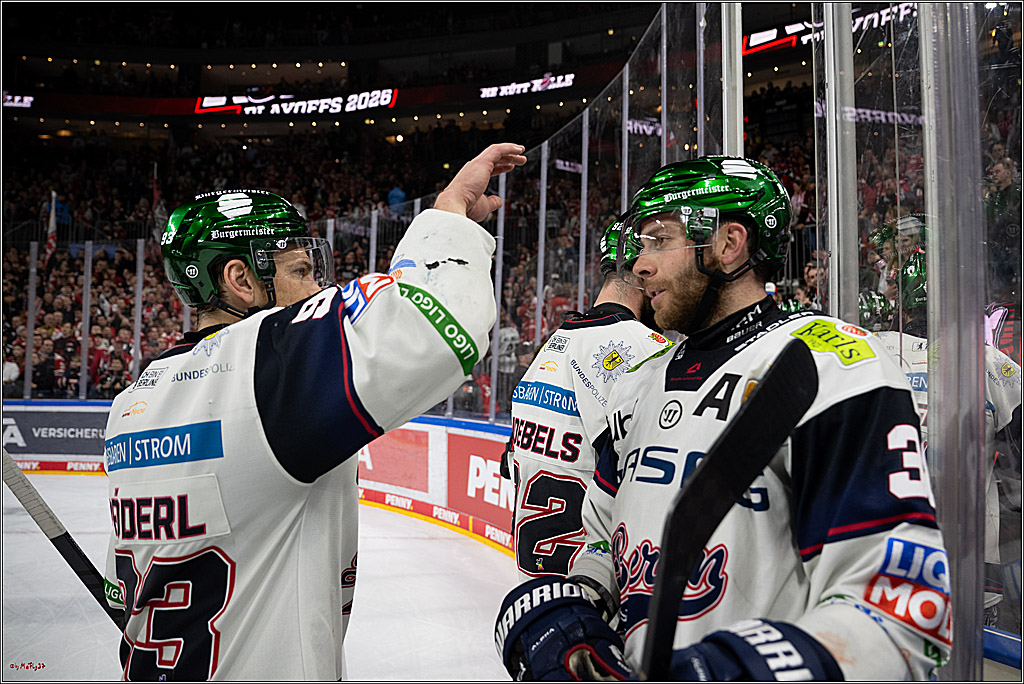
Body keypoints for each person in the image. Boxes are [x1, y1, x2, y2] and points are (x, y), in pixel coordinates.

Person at [494, 156, 949, 680]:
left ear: (730, 244)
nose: (639, 265)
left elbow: (904, 608)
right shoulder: (638, 382)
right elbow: (601, 534)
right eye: (640, 244)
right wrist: (576, 609)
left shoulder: (829, 367)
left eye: (659, 240)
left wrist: (732, 671)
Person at [102, 142, 526, 680]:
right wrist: (449, 214)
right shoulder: (262, 368)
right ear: (240, 279)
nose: (317, 286)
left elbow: (128, 591)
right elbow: (439, 328)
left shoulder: (135, 399)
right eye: (301, 269)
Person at [502, 217, 671, 582]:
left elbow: (509, 461)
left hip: (537, 592)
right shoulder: (645, 351)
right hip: (599, 589)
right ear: (642, 271)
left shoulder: (553, 347)